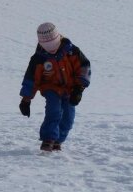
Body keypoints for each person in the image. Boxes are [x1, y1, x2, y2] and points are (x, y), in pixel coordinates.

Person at [19, 22, 91, 152]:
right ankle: (49, 139)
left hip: (70, 89)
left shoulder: (72, 51)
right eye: (47, 47)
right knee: (54, 111)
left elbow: (83, 68)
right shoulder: (39, 58)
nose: (51, 49)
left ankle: (58, 140)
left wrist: (79, 89)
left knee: (68, 117)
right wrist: (26, 99)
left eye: (53, 45)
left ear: (59, 39)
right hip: (50, 88)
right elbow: (31, 79)